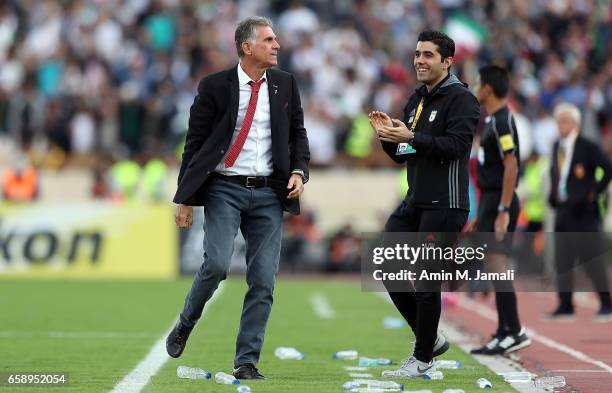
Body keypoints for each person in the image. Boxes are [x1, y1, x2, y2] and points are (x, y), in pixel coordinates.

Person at [166, 16, 310, 380]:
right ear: (247, 46)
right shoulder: (215, 86)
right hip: (223, 188)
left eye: (276, 39)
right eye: (269, 40)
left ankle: (246, 361)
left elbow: (298, 135)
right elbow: (194, 145)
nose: (277, 45)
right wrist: (184, 198)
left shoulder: (285, 84)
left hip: (268, 193)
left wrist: (298, 171)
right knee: (216, 264)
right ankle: (187, 320)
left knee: (263, 280)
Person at [369, 30, 479, 377]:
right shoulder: (416, 99)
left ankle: (422, 358)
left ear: (447, 61)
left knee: (424, 278)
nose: (419, 60)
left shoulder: (462, 100)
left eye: (428, 55)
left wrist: (412, 136)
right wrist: (389, 138)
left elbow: (457, 147)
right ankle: (429, 340)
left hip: (445, 204)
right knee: (386, 265)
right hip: (414, 201)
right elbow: (405, 154)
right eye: (417, 53)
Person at [469, 65, 530, 355]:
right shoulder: (493, 120)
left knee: (498, 269)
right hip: (490, 202)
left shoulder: (503, 121)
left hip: (499, 201)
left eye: (478, 82)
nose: (475, 86)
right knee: (495, 271)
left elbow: (511, 164)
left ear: (488, 89)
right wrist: (481, 214)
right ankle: (504, 330)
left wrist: (503, 210)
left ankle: (514, 330)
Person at [546, 102, 612, 321]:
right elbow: (556, 173)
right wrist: (553, 196)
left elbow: (608, 168)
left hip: (584, 213)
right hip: (563, 210)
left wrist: (594, 192)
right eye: (558, 121)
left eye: (565, 121)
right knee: (562, 260)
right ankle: (565, 306)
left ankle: (606, 304)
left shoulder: (587, 146)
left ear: (576, 123)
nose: (560, 125)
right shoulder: (557, 146)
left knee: (592, 259)